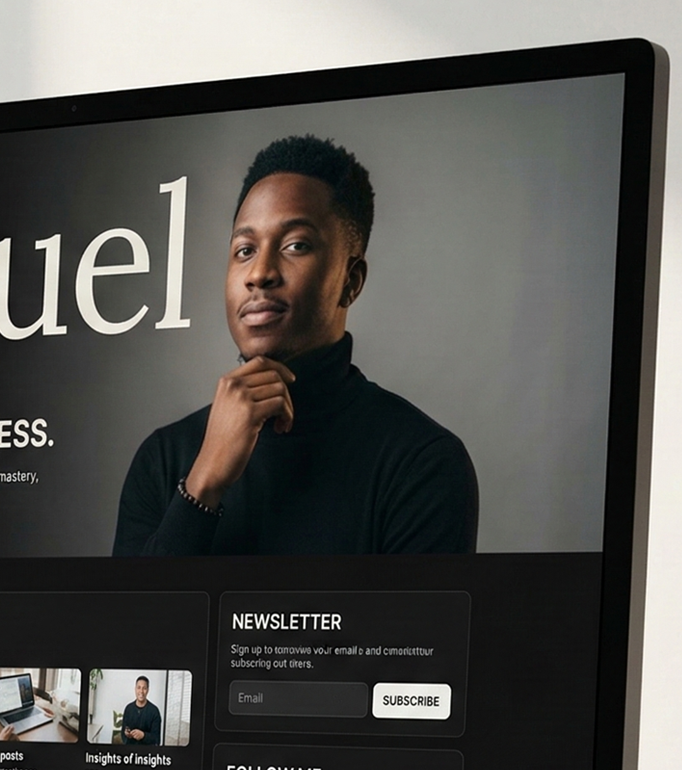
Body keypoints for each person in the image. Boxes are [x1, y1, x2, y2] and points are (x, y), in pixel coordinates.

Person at [113, 134, 477, 557]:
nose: (260, 273)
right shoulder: (164, 458)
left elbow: (405, 626)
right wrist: (203, 485)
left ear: (351, 281)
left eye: (295, 245)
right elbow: (133, 624)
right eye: (244, 250)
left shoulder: (420, 462)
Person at [119, 676, 162, 745]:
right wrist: (127, 734)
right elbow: (123, 733)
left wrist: (143, 735)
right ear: (135, 689)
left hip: (147, 753)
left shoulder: (154, 711)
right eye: (139, 688)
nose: (141, 691)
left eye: (144, 688)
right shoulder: (128, 709)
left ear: (147, 690)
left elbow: (156, 739)